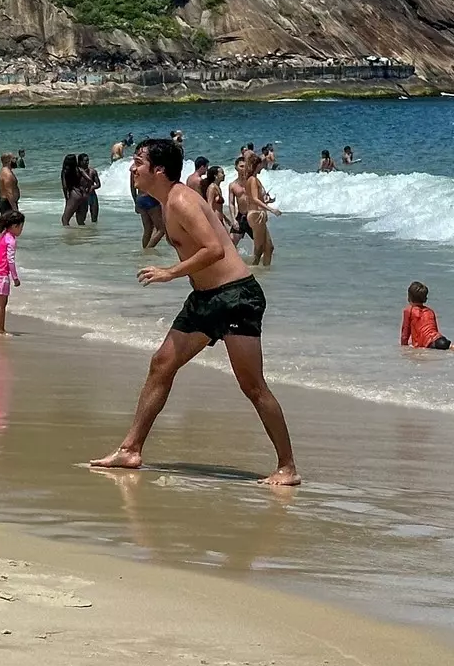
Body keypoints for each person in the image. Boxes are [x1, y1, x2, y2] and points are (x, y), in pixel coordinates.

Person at [90, 138, 300, 486]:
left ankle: (288, 467)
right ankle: (130, 449)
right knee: (161, 363)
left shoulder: (182, 200)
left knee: (252, 386)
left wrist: (170, 272)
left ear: (159, 170)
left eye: (138, 162)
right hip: (205, 299)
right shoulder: (167, 202)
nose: (132, 167)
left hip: (236, 297)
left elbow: (215, 249)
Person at [229, 155, 276, 267]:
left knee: (263, 246)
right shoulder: (233, 185)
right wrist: (233, 219)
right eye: (241, 166)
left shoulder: (251, 180)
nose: (243, 169)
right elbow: (231, 203)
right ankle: (231, 265)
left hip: (252, 215)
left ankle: (257, 266)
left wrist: (267, 200)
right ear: (236, 168)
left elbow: (260, 197)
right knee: (231, 243)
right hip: (242, 216)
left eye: (245, 166)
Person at [400, 281, 454, 351]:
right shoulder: (430, 311)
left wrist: (403, 349)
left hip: (428, 343)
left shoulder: (409, 311)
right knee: (450, 346)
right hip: (439, 339)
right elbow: (435, 329)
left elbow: (405, 334)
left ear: (409, 297)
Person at [0, 209, 23, 334]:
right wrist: (15, 277)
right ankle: (0, 330)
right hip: (2, 274)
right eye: (21, 227)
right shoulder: (11, 240)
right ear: (14, 226)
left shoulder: (3, 236)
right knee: (2, 304)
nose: (21, 230)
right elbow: (11, 261)